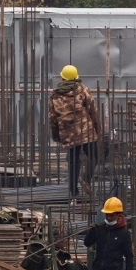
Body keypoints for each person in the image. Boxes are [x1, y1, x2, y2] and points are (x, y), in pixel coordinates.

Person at [49, 64, 100, 200]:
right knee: (94, 156)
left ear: (63, 78)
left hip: (68, 135)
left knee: (73, 163)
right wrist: (97, 128)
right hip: (85, 132)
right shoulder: (82, 90)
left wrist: (57, 136)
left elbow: (53, 119)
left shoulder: (55, 95)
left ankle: (73, 193)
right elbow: (92, 110)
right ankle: (86, 179)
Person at [84, 197, 134, 270]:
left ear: (118, 214)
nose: (109, 217)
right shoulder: (100, 229)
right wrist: (91, 232)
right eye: (107, 215)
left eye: (111, 215)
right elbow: (87, 243)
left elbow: (129, 255)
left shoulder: (124, 233)